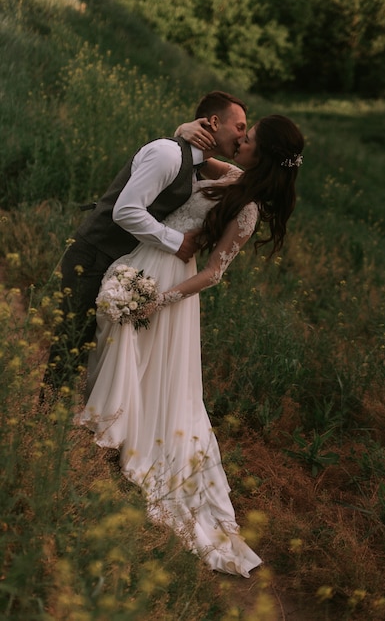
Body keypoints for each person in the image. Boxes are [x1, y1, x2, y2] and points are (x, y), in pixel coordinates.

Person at [75, 114, 304, 577]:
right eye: (244, 131)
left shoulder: (248, 209)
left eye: (250, 137)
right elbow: (196, 159)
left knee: (141, 358)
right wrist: (180, 132)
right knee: (115, 344)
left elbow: (212, 274)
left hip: (173, 285)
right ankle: (105, 422)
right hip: (144, 257)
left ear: (260, 153)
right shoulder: (231, 174)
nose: (242, 139)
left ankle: (113, 430)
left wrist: (159, 302)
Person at [41, 90, 247, 397]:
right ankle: (46, 421)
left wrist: (182, 129)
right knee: (73, 341)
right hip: (94, 253)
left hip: (121, 260)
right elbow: (126, 210)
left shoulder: (193, 162)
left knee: (99, 347)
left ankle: (80, 419)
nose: (243, 135)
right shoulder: (168, 154)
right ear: (215, 122)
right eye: (240, 126)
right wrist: (176, 242)